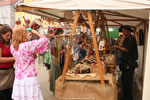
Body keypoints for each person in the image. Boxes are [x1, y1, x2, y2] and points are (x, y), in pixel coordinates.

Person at [10, 26, 48, 100]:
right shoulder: (28, 45)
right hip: (30, 78)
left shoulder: (12, 47)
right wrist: (34, 31)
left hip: (19, 78)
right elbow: (44, 39)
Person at [112, 25, 138, 100]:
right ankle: (125, 97)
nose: (123, 32)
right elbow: (123, 49)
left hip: (129, 64)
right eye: (122, 30)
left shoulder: (131, 39)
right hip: (125, 63)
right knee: (124, 81)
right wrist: (119, 49)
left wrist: (117, 47)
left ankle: (128, 98)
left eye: (124, 30)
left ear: (129, 31)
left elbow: (127, 50)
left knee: (128, 83)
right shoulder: (126, 39)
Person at [0, 25, 15, 100]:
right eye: (7, 35)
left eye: (10, 36)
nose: (9, 37)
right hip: (2, 73)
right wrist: (14, 58)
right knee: (3, 94)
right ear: (1, 34)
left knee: (11, 94)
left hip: (10, 71)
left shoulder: (10, 44)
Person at [50, 28, 65, 94]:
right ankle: (55, 89)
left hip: (61, 59)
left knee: (60, 74)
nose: (62, 34)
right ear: (58, 33)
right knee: (55, 74)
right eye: (61, 33)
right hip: (55, 60)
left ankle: (59, 89)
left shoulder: (61, 40)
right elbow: (53, 52)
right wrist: (61, 51)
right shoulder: (53, 41)